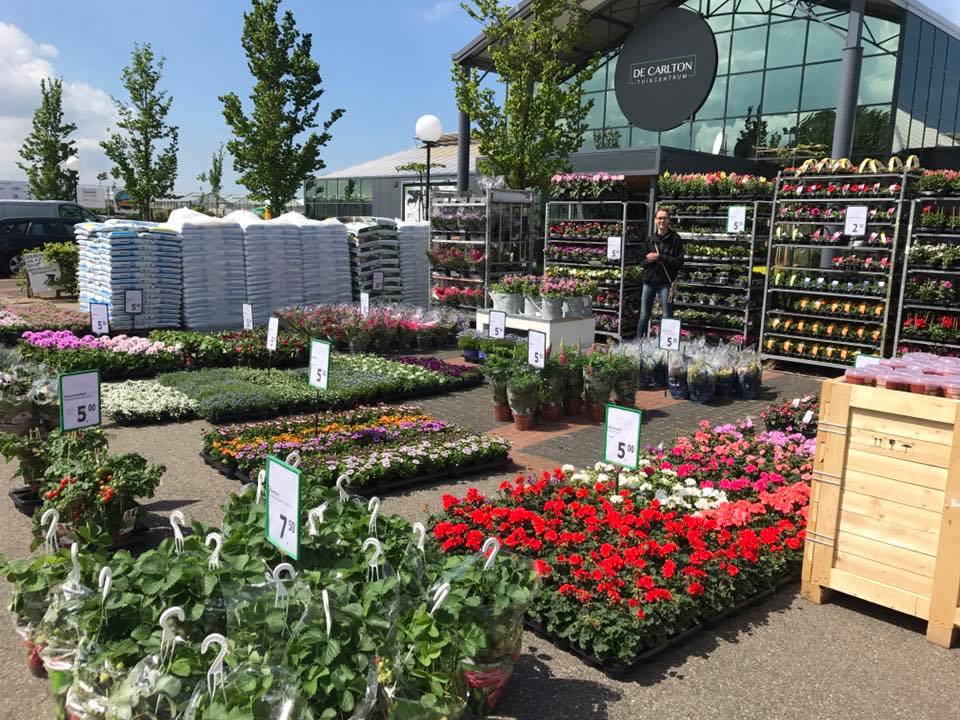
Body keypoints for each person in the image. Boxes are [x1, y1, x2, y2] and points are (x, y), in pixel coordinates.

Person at [637, 206, 684, 337]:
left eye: (664, 218)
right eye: (659, 218)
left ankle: (665, 348)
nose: (662, 221)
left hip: (666, 283)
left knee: (667, 316)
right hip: (649, 281)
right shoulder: (650, 239)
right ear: (655, 220)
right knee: (644, 315)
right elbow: (641, 262)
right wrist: (649, 260)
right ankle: (639, 345)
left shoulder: (675, 239)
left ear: (669, 220)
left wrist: (661, 257)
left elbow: (679, 262)